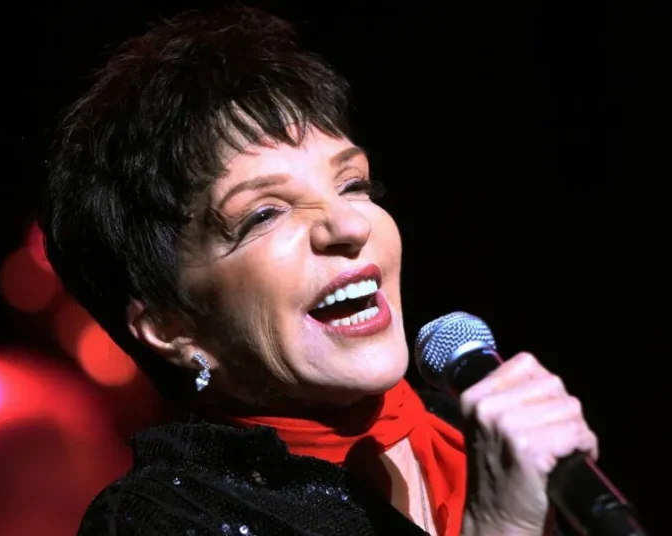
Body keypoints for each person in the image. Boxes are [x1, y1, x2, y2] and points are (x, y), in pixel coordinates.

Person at [40, 6, 599, 536]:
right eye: (264, 213)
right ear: (171, 326)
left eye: (352, 184)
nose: (347, 225)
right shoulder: (156, 518)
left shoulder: (483, 441)